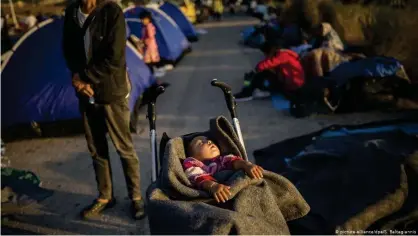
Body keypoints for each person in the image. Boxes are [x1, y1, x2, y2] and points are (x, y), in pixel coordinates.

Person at [62, 0, 145, 220]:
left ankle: (136, 197)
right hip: (85, 93)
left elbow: (115, 58)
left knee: (123, 147)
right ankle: (105, 196)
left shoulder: (111, 11)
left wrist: (86, 78)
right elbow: (68, 49)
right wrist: (78, 79)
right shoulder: (72, 11)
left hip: (111, 92)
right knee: (96, 148)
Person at [183, 136, 264, 203]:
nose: (209, 142)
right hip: (217, 193)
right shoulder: (194, 163)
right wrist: (212, 185)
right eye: (200, 143)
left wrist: (247, 165)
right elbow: (196, 176)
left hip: (237, 186)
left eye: (208, 139)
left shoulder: (223, 159)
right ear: (193, 156)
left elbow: (235, 162)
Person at [234, 42, 305, 101]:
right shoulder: (286, 54)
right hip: (293, 83)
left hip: (292, 86)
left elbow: (265, 65)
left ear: (271, 51)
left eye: (266, 54)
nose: (266, 56)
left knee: (263, 72)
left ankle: (247, 93)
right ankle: (260, 89)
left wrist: (254, 71)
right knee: (266, 71)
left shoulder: (282, 55)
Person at [138, 10, 165, 78]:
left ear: (148, 19)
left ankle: (155, 72)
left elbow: (150, 37)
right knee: (150, 61)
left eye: (144, 19)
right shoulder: (145, 27)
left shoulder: (149, 26)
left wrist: (144, 42)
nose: (142, 21)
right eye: (141, 19)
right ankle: (154, 73)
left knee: (150, 61)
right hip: (149, 46)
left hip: (150, 47)